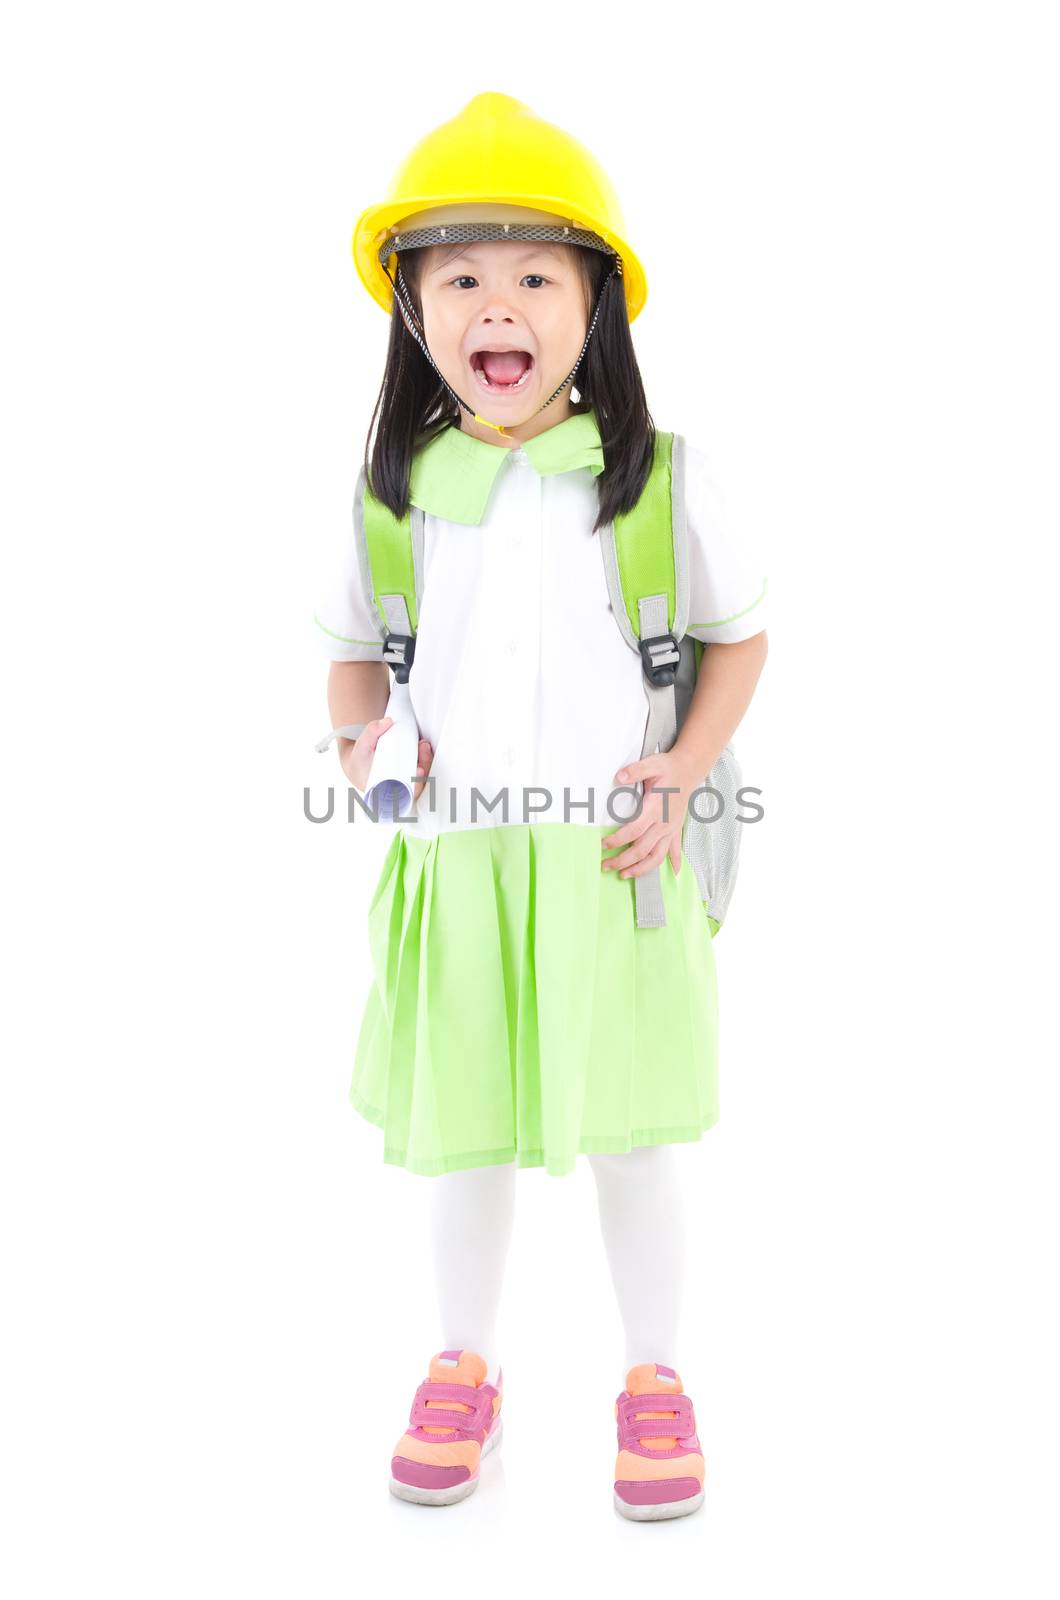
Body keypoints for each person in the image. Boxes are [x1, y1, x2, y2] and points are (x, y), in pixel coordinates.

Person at [312, 93, 769, 1520]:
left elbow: (737, 637)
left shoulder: (651, 482)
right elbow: (348, 668)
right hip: (458, 871)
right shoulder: (395, 499)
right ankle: (464, 1363)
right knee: (468, 1141)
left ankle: (654, 1376)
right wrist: (362, 756)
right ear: (411, 312)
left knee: (634, 1137)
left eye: (532, 278)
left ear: (597, 309)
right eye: (458, 277)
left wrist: (682, 772)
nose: (493, 304)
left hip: (614, 871)